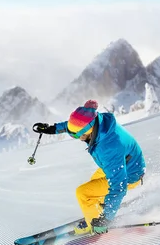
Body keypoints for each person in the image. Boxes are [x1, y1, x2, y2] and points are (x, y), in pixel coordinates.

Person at [33, 100, 145, 235]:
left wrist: (106, 220)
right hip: (123, 164)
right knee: (93, 184)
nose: (77, 138)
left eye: (80, 135)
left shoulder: (108, 148)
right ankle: (98, 208)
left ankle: (94, 223)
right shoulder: (98, 121)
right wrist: (52, 129)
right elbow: (73, 127)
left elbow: (118, 186)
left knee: (83, 193)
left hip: (130, 174)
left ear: (89, 129)